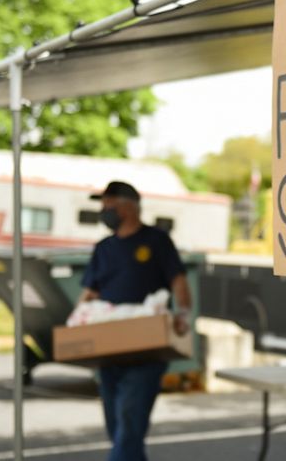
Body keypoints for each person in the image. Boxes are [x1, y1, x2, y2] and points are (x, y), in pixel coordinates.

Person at [79, 181, 192, 461]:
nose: (104, 210)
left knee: (130, 422)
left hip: (147, 349)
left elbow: (178, 281)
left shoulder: (156, 241)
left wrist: (183, 314)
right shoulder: (103, 248)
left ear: (128, 206)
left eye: (109, 204)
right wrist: (76, 325)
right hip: (109, 350)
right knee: (117, 426)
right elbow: (89, 293)